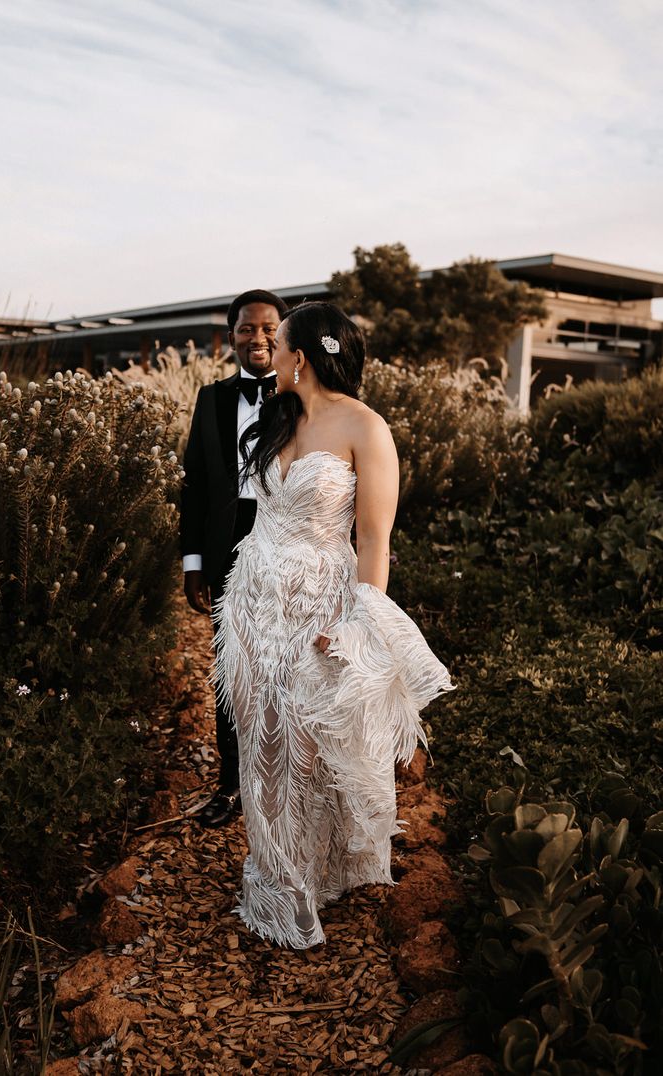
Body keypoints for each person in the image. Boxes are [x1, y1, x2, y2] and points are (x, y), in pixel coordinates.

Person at [212, 301, 454, 948]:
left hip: (320, 603)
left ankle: (309, 880)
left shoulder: (367, 429)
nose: (268, 352)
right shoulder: (278, 416)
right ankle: (271, 871)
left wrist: (355, 626)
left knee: (305, 745)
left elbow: (375, 542)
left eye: (279, 342)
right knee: (259, 743)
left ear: (300, 356)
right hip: (252, 601)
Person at [181, 288, 289, 827]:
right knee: (230, 668)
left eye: (270, 328)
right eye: (247, 328)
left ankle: (287, 783)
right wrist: (193, 562)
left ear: (286, 334)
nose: (259, 338)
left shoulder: (304, 400)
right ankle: (232, 784)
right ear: (231, 337)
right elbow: (195, 485)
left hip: (286, 542)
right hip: (226, 543)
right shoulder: (211, 400)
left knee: (289, 663)